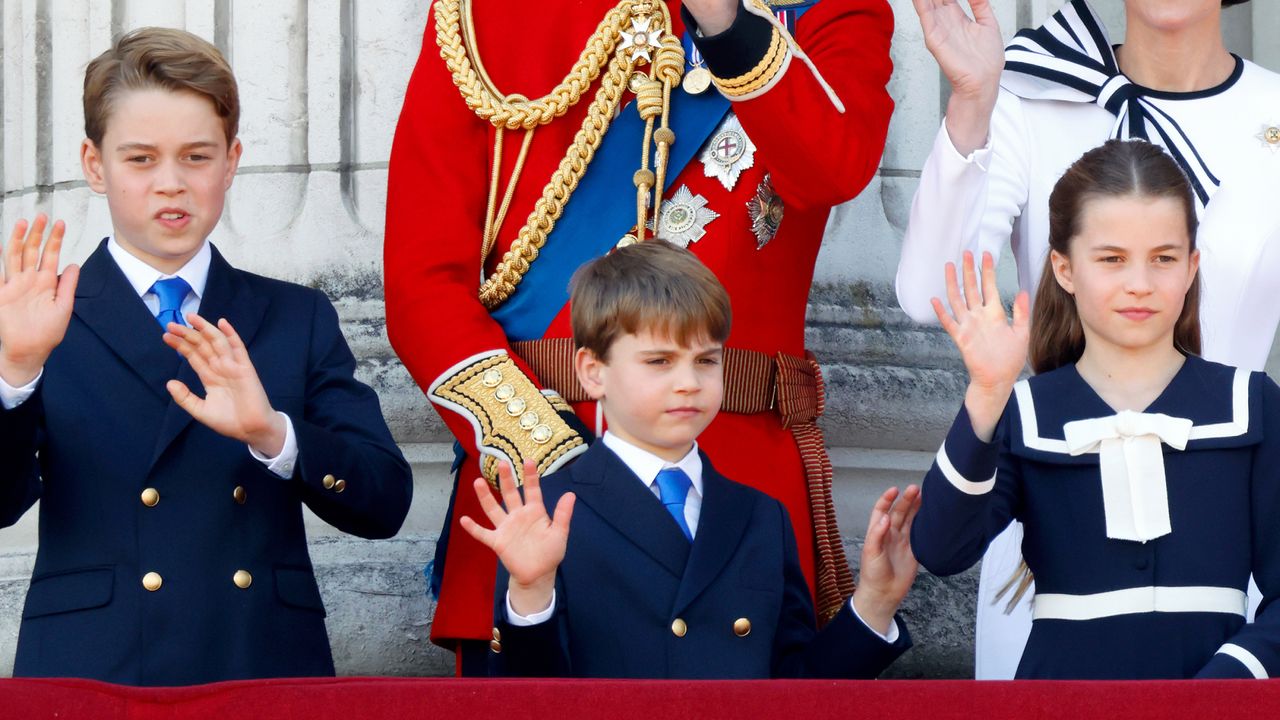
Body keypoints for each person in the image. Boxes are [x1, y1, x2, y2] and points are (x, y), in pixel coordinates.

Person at [385, 0, 896, 671]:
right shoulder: (485, 15)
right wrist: (558, 465)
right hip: (538, 493)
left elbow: (834, 168)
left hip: (736, 502)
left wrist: (724, 22)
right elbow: (423, 289)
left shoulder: (826, 10)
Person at [0, 27, 413, 686]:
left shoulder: (294, 317)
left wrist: (271, 432)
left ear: (231, 160)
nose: (172, 184)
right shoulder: (38, 316)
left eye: (196, 156)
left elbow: (385, 502)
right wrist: (14, 375)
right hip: (94, 672)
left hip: (257, 663)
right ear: (93, 164)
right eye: (140, 159)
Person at [896, 0, 1279, 678]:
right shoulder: (1030, 91)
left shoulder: (1273, 109)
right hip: (1047, 544)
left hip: (1227, 542)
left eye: (1164, 259)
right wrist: (973, 102)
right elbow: (936, 294)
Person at [460, 240, 917, 678]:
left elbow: (798, 691)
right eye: (660, 361)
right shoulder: (550, 511)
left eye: (706, 360)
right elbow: (528, 699)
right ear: (592, 372)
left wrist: (874, 602)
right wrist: (531, 592)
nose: (689, 382)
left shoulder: (761, 516)